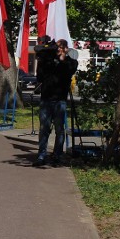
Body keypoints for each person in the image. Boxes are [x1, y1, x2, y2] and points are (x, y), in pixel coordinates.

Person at [33, 38, 78, 167]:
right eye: (56, 47)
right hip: (46, 100)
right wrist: (43, 61)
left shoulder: (71, 62)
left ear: (66, 49)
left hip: (60, 101)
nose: (58, 50)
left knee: (59, 129)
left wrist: (62, 60)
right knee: (44, 129)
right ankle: (41, 155)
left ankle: (57, 155)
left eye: (61, 47)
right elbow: (40, 77)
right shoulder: (48, 61)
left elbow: (68, 72)